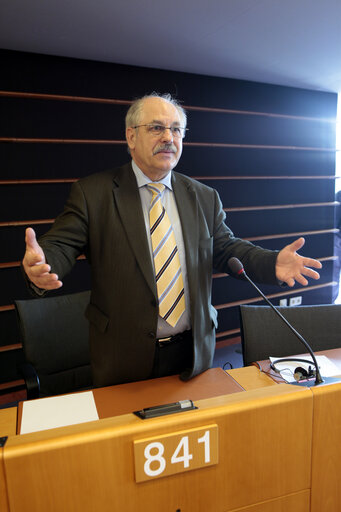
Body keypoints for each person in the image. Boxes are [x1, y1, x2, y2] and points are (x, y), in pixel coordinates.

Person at [22, 93, 322, 387]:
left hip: (192, 353)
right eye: (156, 127)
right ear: (131, 137)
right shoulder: (94, 193)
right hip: (123, 355)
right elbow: (62, 244)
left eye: (176, 129)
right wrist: (44, 263)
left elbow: (227, 249)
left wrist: (271, 264)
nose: (169, 137)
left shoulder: (203, 196)